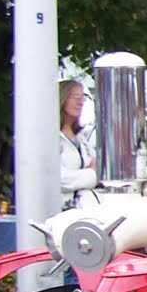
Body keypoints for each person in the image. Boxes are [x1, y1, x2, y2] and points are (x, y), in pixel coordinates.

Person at [60, 79, 98, 210]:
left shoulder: (81, 138)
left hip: (85, 210)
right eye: (76, 97)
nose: (80, 102)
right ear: (62, 98)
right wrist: (92, 175)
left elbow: (97, 163)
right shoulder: (51, 138)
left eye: (83, 97)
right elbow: (60, 178)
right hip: (63, 211)